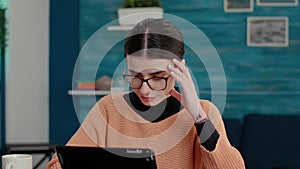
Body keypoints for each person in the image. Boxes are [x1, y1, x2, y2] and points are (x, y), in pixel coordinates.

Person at [46, 18, 245, 169]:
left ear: (180, 69)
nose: (144, 89)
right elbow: (57, 164)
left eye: (158, 77)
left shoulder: (204, 113)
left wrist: (198, 116)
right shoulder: (109, 109)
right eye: (134, 76)